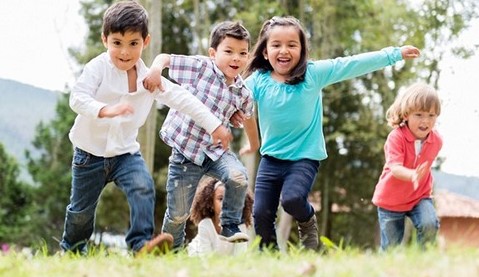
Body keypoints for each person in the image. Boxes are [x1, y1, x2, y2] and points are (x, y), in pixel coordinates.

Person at [60, 0, 232, 255]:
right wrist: (105, 110)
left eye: (133, 43)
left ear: (146, 41)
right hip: (89, 155)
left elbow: (184, 99)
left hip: (125, 153)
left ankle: (140, 245)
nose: (125, 52)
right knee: (80, 212)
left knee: (143, 186)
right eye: (117, 43)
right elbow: (78, 97)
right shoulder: (98, 68)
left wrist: (214, 125)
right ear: (105, 39)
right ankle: (72, 250)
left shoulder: (148, 79)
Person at [239, 16, 421, 251]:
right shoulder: (257, 82)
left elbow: (352, 63)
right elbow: (234, 99)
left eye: (292, 45)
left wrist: (394, 54)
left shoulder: (313, 74)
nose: (284, 50)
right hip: (271, 159)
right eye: (276, 45)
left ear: (302, 50)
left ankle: (307, 220)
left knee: (293, 199)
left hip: (304, 157)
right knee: (261, 213)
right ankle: (271, 256)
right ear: (265, 52)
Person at [143, 20, 259, 249]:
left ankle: (229, 224)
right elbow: (165, 58)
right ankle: (169, 252)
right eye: (229, 51)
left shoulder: (242, 92)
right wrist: (155, 70)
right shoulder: (201, 67)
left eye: (242, 53)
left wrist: (253, 144)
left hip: (216, 152)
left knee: (238, 176)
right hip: (185, 154)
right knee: (178, 214)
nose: (236, 58)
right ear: (213, 53)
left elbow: (248, 118)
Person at [372, 82, 442, 250]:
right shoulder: (396, 138)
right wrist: (412, 175)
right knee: (391, 248)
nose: (425, 120)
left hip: (419, 196)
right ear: (406, 115)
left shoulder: (436, 141)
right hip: (391, 200)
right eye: (419, 114)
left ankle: (424, 263)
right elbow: (395, 168)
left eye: (431, 115)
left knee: (429, 224)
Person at [187, 177, 254, 256]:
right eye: (221, 198)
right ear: (211, 203)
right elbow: (205, 257)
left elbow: (240, 257)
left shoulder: (240, 227)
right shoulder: (205, 225)